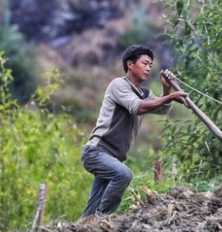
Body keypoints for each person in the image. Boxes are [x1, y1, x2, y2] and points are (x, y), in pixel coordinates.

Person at [80, 44, 188, 219]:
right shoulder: (119, 85)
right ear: (130, 64)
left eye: (150, 65)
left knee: (89, 213)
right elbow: (138, 107)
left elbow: (162, 109)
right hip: (96, 152)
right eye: (144, 63)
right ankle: (100, 221)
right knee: (123, 174)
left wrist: (167, 89)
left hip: (112, 158)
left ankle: (88, 223)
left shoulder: (144, 93)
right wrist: (171, 96)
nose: (148, 68)